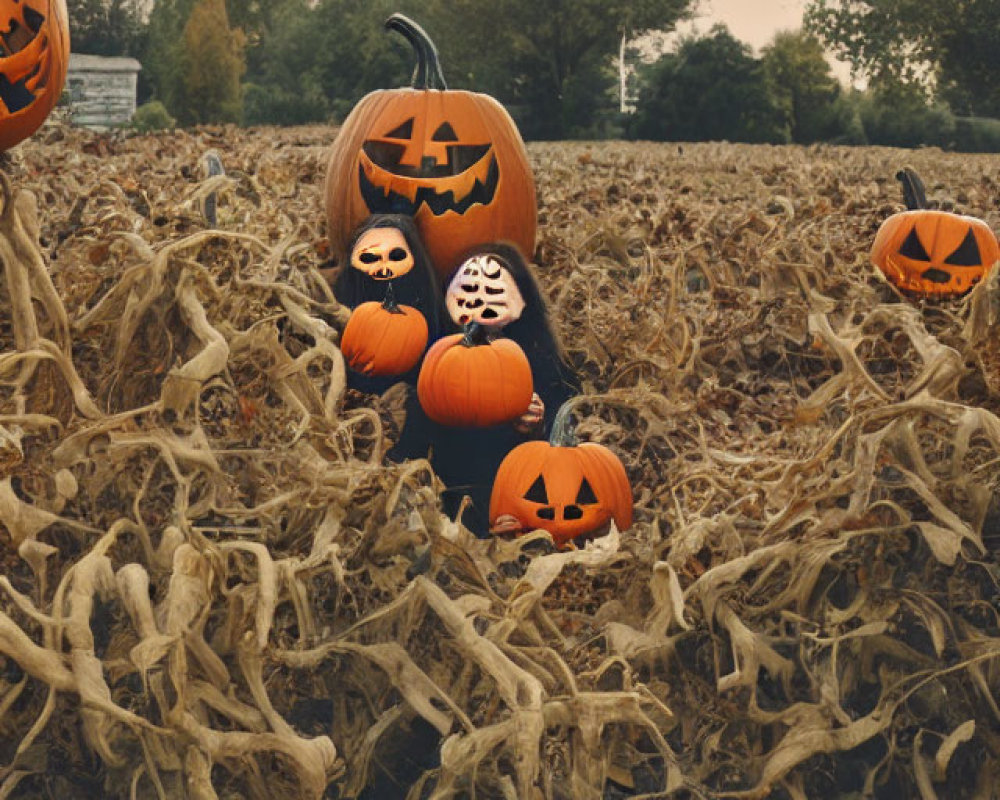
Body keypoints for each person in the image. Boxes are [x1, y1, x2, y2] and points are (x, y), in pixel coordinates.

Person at [392, 243, 580, 536]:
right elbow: (412, 450)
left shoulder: (542, 362)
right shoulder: (439, 357)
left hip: (521, 492)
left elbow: (569, 455)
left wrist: (538, 429)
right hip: (452, 496)